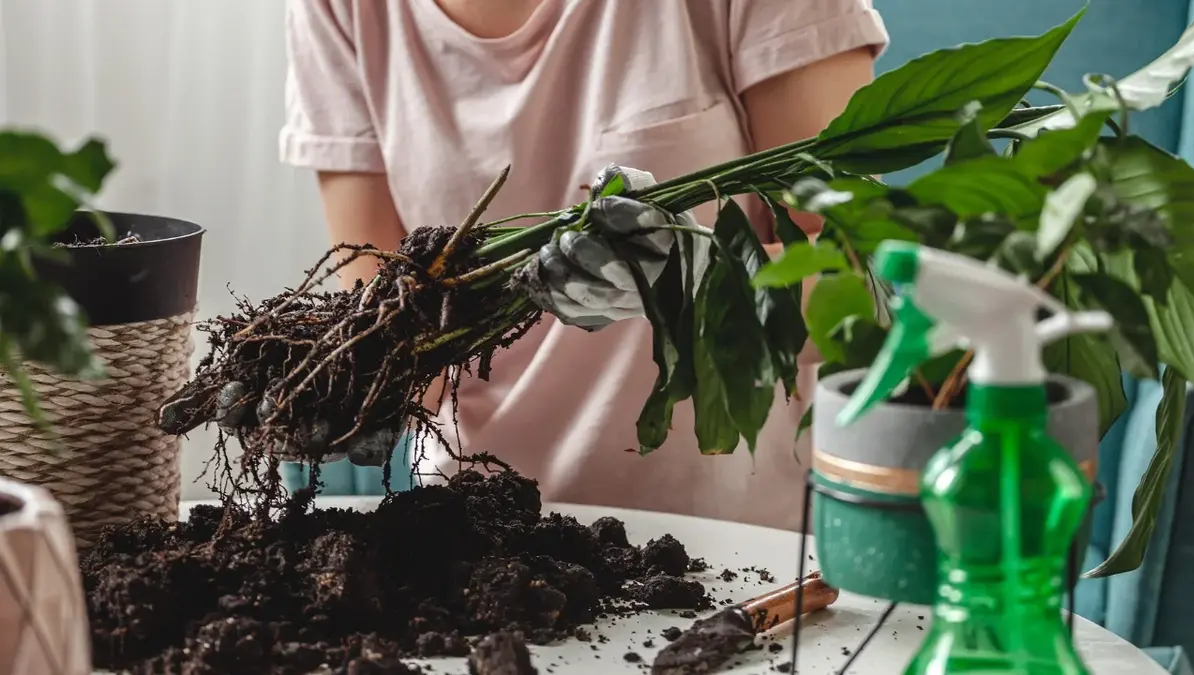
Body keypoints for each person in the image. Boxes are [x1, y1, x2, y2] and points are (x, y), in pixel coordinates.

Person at [277, 0, 888, 530]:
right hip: (482, 542)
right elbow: (390, 317)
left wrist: (691, 280)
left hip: (731, 553)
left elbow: (870, 291)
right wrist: (324, 386)